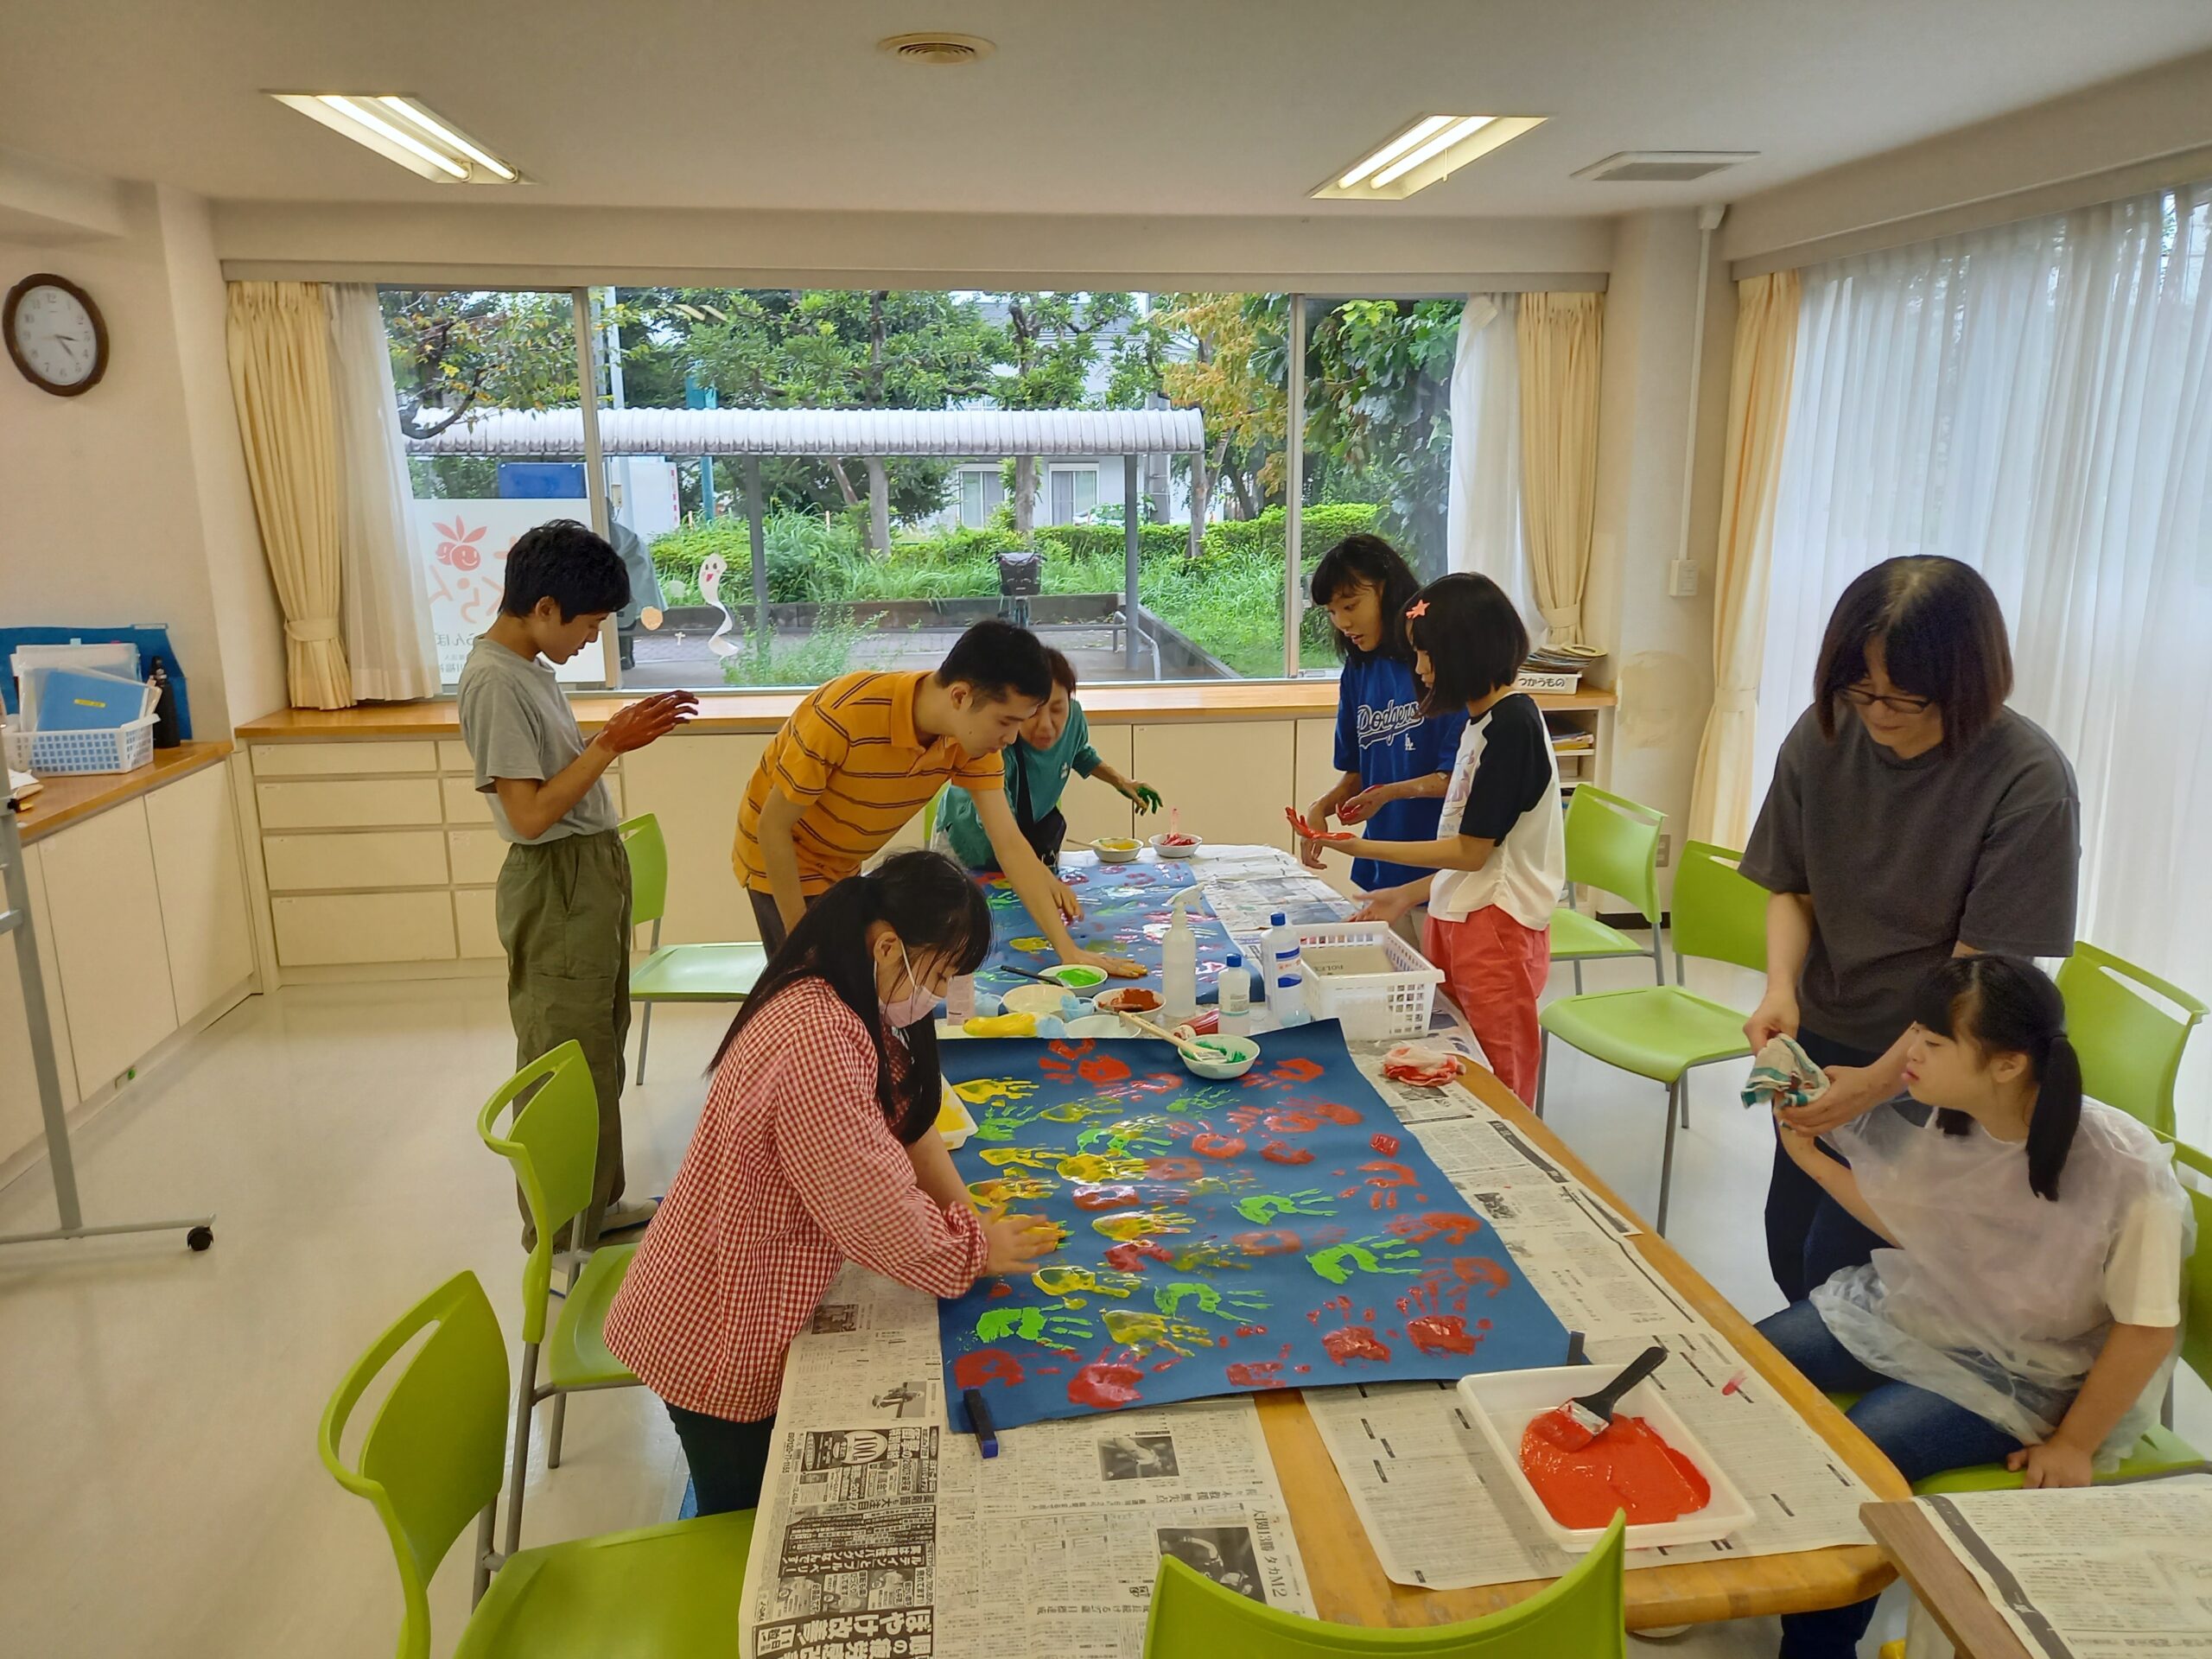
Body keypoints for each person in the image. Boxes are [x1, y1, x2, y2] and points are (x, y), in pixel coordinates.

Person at [1757, 954, 2190, 1659]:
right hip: (1928, 1312)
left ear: (2008, 1063)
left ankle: (1815, 1646)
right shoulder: (1955, 1116)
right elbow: (1919, 1229)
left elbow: (2147, 1328)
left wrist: (2074, 1444)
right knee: (1744, 1364)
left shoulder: (2123, 1167)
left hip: (2028, 1369)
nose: (1910, 1054)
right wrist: (1811, 1161)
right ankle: (1762, 1561)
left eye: (1932, 1041)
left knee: (1861, 1459)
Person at [603, 851, 1061, 1515]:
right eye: (938, 974)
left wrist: (969, 1214)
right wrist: (974, 1249)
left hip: (720, 1287)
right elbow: (881, 1218)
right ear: (887, 946)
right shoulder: (818, 1040)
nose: (937, 994)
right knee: (745, 1525)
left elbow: (908, 1115)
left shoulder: (835, 984)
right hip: (718, 1336)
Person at [1742, 557, 2080, 1305]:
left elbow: (1976, 977)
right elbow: (1791, 885)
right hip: (1826, 1032)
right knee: (1789, 1247)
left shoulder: (2026, 781)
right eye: (1861, 691)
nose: (1880, 714)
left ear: (1972, 686)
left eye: (1907, 698)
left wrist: (1878, 1083)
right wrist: (1780, 989)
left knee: (1851, 1272)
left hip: (1943, 1062)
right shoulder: (1826, 731)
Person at [458, 520, 698, 1245]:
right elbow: (528, 815)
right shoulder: (496, 680)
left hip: (585, 874)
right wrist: (609, 745)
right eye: (590, 624)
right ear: (545, 607)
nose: (593, 639)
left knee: (596, 1043)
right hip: (557, 880)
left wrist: (613, 740)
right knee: (563, 1053)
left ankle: (593, 1206)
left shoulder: (527, 669)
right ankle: (561, 1226)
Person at [733, 619, 1139, 979]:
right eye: (1006, 721)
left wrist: (1068, 952)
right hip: (780, 861)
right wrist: (798, 947)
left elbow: (1010, 845)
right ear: (961, 696)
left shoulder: (970, 740)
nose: (1012, 738)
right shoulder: (843, 716)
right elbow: (773, 828)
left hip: (843, 864)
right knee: (812, 988)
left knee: (857, 984)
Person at [1302, 575, 1562, 1103]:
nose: (1420, 670)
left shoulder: (1513, 725)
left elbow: (1472, 850)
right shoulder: (1478, 721)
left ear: (1467, 650)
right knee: (1457, 1048)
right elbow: (1473, 853)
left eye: (1427, 656)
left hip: (1497, 926)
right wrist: (1409, 893)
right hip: (1461, 911)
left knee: (1501, 1065)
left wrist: (1364, 847)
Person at [1297, 535, 1467, 944]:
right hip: (1381, 867)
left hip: (1440, 875)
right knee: (1389, 991)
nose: (1343, 622)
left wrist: (1390, 793)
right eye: (1332, 611)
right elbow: (1358, 772)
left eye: (1351, 606)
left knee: (1441, 1002)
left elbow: (1459, 776)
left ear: (1388, 590)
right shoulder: (1359, 670)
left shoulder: (1433, 667)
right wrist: (1322, 807)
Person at [936, 646, 1164, 868]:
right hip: (966, 842)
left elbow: (1079, 752)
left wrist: (1121, 782)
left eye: (1057, 709)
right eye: (1033, 711)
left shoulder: (1073, 717)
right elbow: (1002, 833)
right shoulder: (997, 747)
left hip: (1020, 840)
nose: (1046, 726)